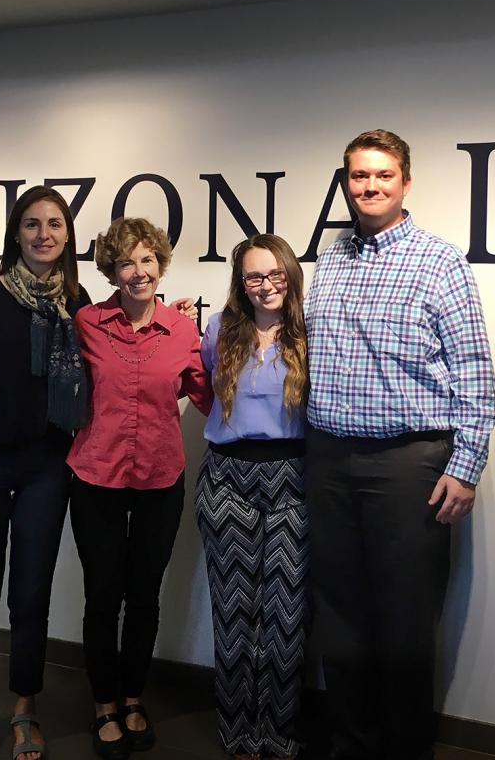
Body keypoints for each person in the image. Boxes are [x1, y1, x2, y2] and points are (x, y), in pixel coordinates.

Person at [304, 129, 495, 760]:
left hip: (409, 464)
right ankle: (349, 745)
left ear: (405, 183)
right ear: (346, 182)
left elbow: (475, 371)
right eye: (359, 176)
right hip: (330, 457)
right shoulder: (329, 260)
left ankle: (404, 750)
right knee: (339, 614)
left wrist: (464, 467)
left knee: (406, 621)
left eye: (383, 176)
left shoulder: (439, 262)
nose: (370, 187)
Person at [0, 185, 89, 760]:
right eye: (32, 224)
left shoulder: (78, 304)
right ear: (15, 233)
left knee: (31, 595)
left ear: (67, 235)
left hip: (48, 469)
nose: (44, 234)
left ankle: (24, 706)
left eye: (55, 224)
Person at [66, 217, 212, 760]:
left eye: (148, 260)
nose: (138, 271)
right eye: (127, 261)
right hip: (96, 476)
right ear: (112, 269)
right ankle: (104, 703)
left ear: (161, 265)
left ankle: (132, 698)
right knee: (103, 594)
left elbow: (207, 395)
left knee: (144, 595)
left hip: (158, 478)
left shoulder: (182, 330)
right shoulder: (87, 323)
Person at [195, 234, 309, 760]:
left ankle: (279, 734)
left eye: (275, 275)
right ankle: (237, 734)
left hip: (293, 480)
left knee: (286, 616)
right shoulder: (220, 329)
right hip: (227, 481)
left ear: (290, 274)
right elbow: (206, 395)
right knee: (233, 612)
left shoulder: (311, 333)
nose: (265, 287)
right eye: (253, 277)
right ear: (240, 283)